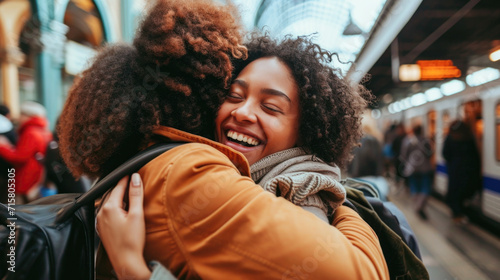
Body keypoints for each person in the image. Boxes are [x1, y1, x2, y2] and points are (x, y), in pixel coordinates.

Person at [58, 1, 388, 279]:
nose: (243, 112)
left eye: (271, 106)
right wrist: (342, 200)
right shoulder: (192, 171)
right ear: (204, 94)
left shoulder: (148, 160)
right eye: (232, 94)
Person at [0, 101, 52, 203]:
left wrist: (2, 146)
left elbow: (19, 157)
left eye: (21, 114)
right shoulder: (43, 131)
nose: (18, 118)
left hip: (25, 180)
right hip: (35, 179)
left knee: (15, 214)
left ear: (27, 115)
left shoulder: (30, 132)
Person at [442, 120, 481, 224]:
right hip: (469, 169)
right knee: (465, 190)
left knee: (455, 191)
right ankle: (460, 212)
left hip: (455, 169)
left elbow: (445, 154)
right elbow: (475, 155)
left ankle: (457, 213)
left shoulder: (450, 138)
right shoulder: (468, 138)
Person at [400, 124, 433, 219]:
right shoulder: (426, 141)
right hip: (425, 168)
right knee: (425, 188)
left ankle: (417, 205)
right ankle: (420, 206)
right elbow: (430, 153)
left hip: (412, 168)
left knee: (414, 187)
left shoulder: (408, 141)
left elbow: (403, 155)